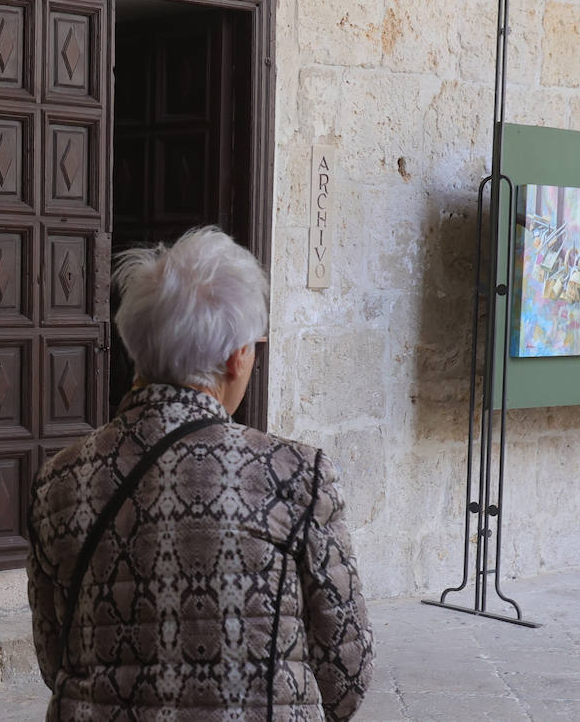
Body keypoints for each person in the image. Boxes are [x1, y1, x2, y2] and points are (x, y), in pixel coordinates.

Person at [27, 226, 373, 721]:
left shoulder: (59, 481)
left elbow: (56, 658)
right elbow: (346, 676)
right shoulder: (297, 475)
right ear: (237, 357)